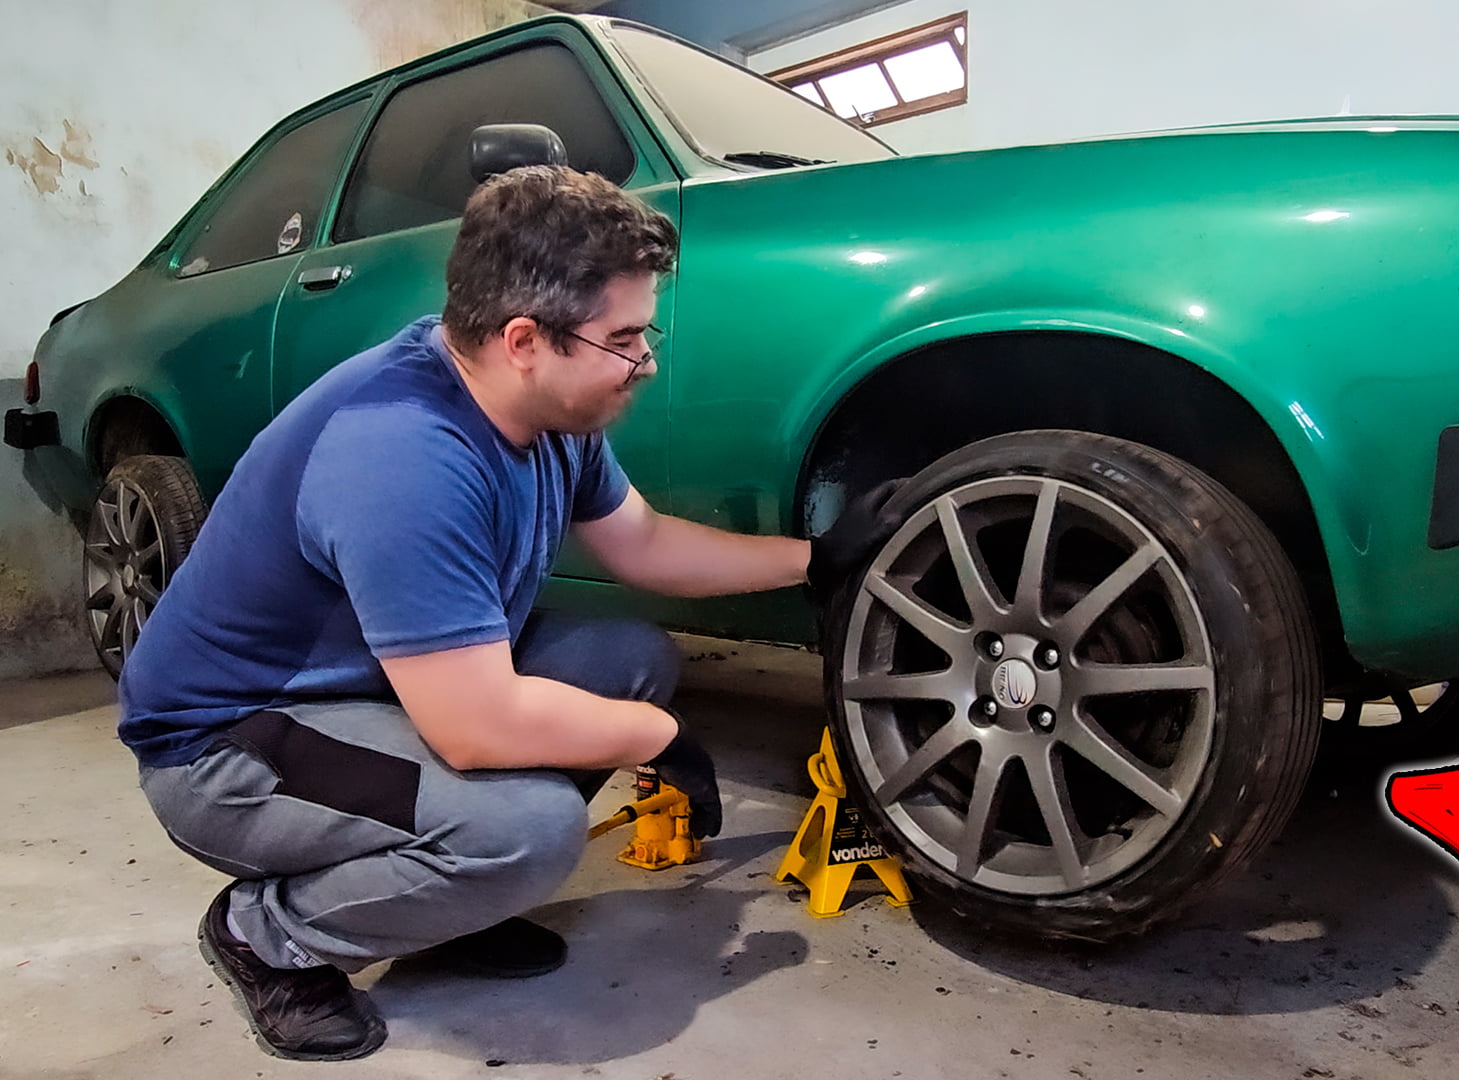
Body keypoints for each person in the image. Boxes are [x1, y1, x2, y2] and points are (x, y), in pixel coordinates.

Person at [116, 166, 899, 1062]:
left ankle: (445, 901)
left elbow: (642, 543)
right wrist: (651, 737)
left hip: (370, 690)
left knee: (628, 661)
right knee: (528, 832)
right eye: (627, 339)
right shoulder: (404, 453)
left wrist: (817, 559)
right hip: (231, 743)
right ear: (525, 338)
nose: (646, 361)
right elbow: (476, 726)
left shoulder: (544, 412)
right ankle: (269, 934)